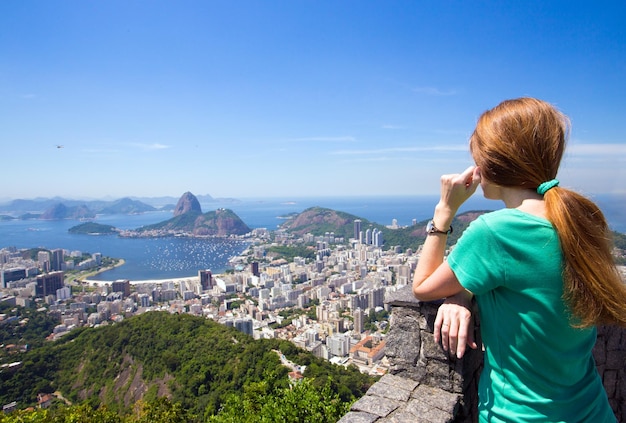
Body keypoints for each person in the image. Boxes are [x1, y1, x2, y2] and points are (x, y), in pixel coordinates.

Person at [412, 97, 626, 422]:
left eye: (478, 160)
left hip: (518, 415)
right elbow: (523, 277)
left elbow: (423, 287)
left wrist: (443, 213)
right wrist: (462, 292)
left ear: (493, 165)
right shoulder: (582, 220)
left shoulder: (494, 232)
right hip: (593, 410)